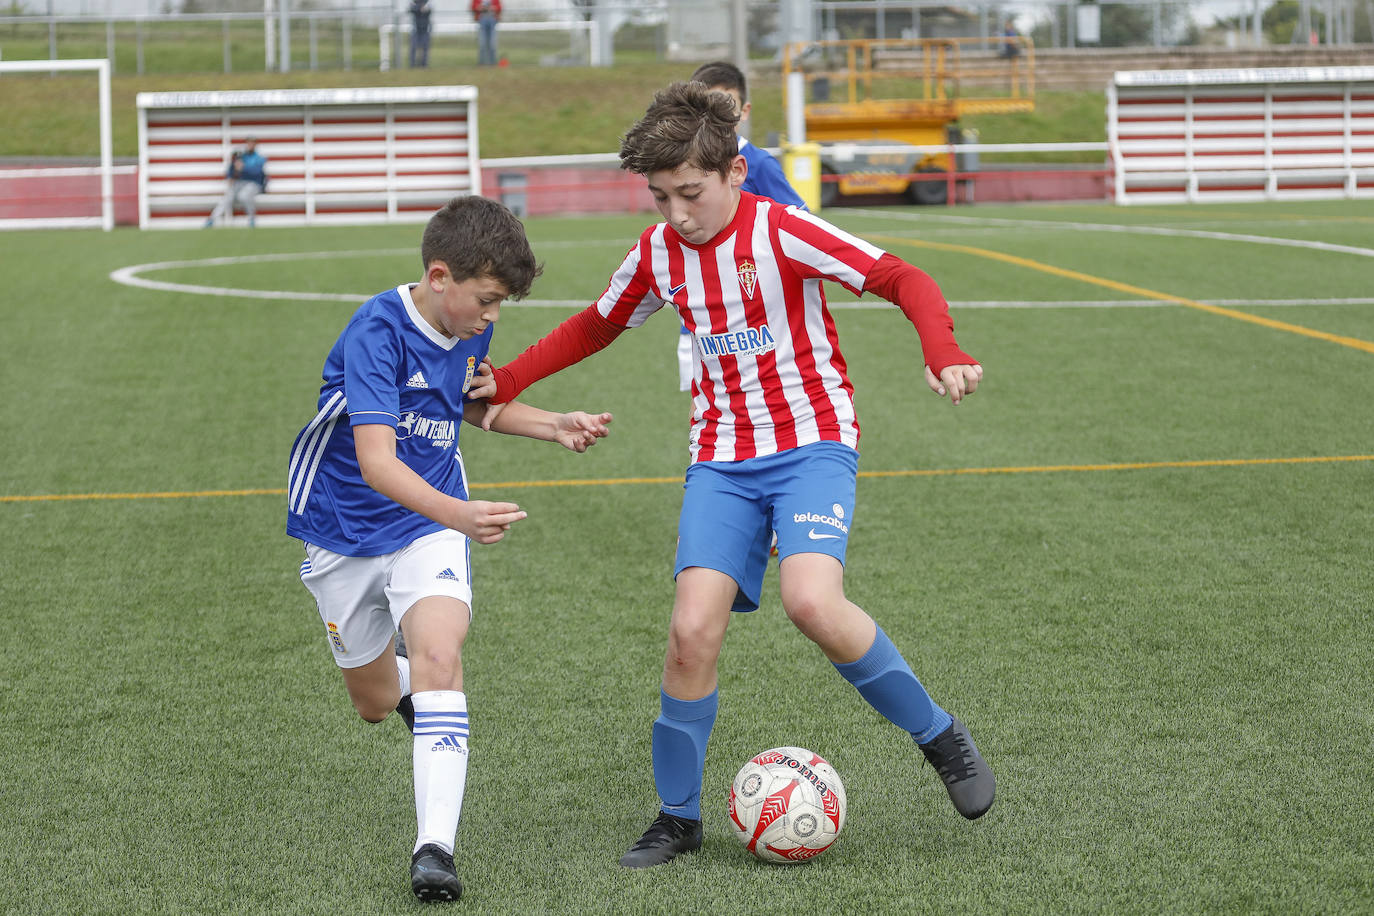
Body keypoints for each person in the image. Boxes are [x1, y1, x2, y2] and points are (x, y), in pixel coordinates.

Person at [469, 82, 994, 869]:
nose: (677, 213)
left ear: (735, 173)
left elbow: (902, 278)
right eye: (661, 197)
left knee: (812, 602)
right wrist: (507, 381)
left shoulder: (782, 230)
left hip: (812, 442)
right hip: (721, 456)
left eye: (691, 193)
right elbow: (596, 324)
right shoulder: (657, 252)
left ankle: (940, 736)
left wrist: (942, 350)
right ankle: (678, 817)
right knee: (690, 633)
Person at [286, 195, 613, 901]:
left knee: (441, 656)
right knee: (375, 702)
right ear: (440, 277)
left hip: (425, 524)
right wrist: (462, 515)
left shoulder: (465, 325)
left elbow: (463, 403)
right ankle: (410, 687)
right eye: (487, 300)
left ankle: (434, 849)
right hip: (344, 526)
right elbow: (377, 463)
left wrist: (554, 424)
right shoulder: (376, 331)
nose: (492, 318)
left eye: (499, 305)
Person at [681, 61, 809, 395]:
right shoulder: (687, 165)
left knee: (754, 394)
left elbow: (802, 223)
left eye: (726, 105)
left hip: (753, 313)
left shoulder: (759, 163)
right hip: (703, 310)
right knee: (704, 402)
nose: (716, 115)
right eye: (707, 106)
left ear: (744, 111)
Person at [205, 137, 267, 228]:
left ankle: (251, 219)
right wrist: (230, 176)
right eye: (249, 143)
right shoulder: (241, 156)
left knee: (244, 196)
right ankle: (211, 220)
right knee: (227, 197)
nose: (250, 145)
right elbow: (232, 170)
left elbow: (257, 172)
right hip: (239, 183)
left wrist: (243, 168)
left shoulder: (259, 158)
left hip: (254, 184)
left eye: (252, 143)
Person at [471, 0, 500, 66]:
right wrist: (480, 7)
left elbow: (499, 7)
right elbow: (473, 7)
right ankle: (482, 63)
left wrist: (492, 8)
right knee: (482, 43)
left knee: (492, 43)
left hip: (492, 20)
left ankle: (493, 63)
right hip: (481, 20)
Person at [409, 0, 433, 68]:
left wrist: (421, 9)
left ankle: (424, 65)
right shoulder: (414, 3)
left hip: (425, 30)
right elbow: (412, 10)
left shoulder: (428, 3)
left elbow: (429, 11)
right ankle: (412, 65)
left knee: (425, 48)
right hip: (415, 29)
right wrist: (419, 8)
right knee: (413, 47)